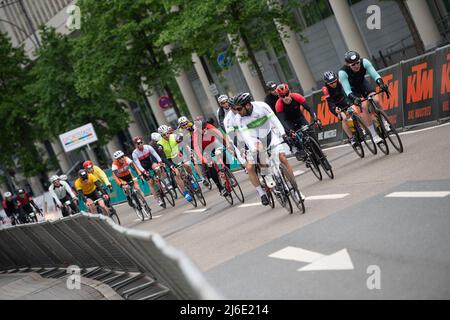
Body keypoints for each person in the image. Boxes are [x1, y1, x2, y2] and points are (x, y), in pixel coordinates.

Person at [233, 92, 303, 205]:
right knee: (258, 150)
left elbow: (275, 120)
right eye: (236, 109)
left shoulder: (261, 106)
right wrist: (253, 149)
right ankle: (267, 174)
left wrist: (283, 134)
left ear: (247, 105)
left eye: (239, 109)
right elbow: (246, 136)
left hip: (269, 134)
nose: (238, 112)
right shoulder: (238, 118)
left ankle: (296, 190)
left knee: (283, 159)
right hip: (254, 138)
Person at [338, 50, 390, 144]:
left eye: (357, 62)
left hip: (362, 84)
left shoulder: (364, 62)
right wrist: (355, 99)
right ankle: (374, 136)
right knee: (364, 107)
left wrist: (381, 84)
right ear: (348, 65)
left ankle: (384, 122)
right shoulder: (343, 72)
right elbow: (347, 90)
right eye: (353, 64)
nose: (356, 65)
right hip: (352, 90)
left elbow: (375, 75)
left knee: (376, 100)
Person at [275, 83, 320, 161]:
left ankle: (319, 152)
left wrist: (315, 118)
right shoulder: (278, 105)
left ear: (290, 92)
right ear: (279, 97)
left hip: (299, 118)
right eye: (283, 96)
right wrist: (289, 131)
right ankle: (300, 151)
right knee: (293, 136)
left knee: (310, 132)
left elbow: (309, 108)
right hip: (288, 122)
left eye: (286, 94)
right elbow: (282, 120)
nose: (286, 97)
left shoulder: (296, 96)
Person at [191, 119, 232, 197]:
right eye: (202, 129)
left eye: (205, 127)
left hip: (213, 143)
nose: (204, 130)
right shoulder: (195, 135)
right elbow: (197, 150)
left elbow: (220, 136)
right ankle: (220, 188)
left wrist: (227, 145)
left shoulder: (209, 126)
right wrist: (205, 160)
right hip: (203, 149)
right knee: (210, 165)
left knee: (223, 154)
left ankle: (228, 174)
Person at [157, 125, 193, 202]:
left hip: (177, 155)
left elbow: (182, 142)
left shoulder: (173, 136)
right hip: (169, 159)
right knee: (176, 174)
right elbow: (163, 157)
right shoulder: (160, 144)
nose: (166, 135)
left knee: (187, 165)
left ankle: (191, 179)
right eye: (164, 135)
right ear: (161, 135)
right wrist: (171, 166)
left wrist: (181, 138)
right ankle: (185, 193)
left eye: (167, 133)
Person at [322, 71, 358, 146]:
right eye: (331, 83)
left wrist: (350, 102)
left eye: (335, 81)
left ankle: (359, 127)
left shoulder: (339, 82)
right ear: (326, 83)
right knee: (344, 118)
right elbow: (329, 101)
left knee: (354, 110)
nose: (333, 84)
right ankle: (351, 138)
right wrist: (334, 108)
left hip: (343, 100)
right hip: (334, 105)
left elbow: (345, 93)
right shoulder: (325, 89)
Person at [131, 136, 165, 207]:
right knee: (151, 183)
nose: (140, 144)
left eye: (141, 142)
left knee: (157, 167)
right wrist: (144, 172)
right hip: (143, 167)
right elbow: (138, 164)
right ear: (135, 145)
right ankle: (157, 199)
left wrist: (160, 161)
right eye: (138, 143)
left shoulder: (148, 147)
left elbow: (155, 154)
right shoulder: (135, 153)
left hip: (150, 163)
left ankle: (159, 179)